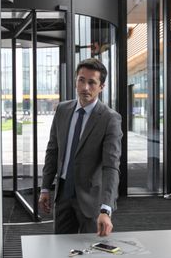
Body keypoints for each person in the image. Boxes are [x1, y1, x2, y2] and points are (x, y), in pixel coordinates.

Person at [39, 58, 122, 236]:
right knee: (60, 250)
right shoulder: (62, 110)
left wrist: (106, 209)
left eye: (92, 82)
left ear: (102, 86)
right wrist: (45, 187)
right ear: (75, 81)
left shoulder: (110, 118)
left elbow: (111, 166)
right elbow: (52, 151)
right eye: (81, 80)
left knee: (92, 254)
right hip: (63, 195)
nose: (85, 87)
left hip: (92, 201)